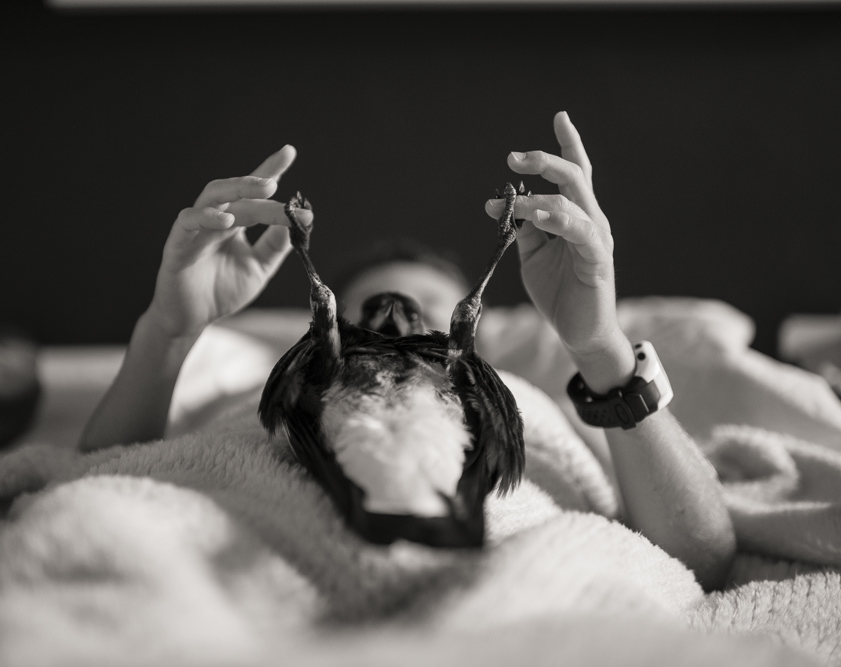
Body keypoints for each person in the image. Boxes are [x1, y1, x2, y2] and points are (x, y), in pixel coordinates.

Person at [78, 112, 737, 591]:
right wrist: (169, 329)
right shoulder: (249, 391)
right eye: (372, 306)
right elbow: (99, 486)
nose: (397, 317)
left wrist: (600, 348)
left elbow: (700, 553)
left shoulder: (541, 409)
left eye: (428, 307)